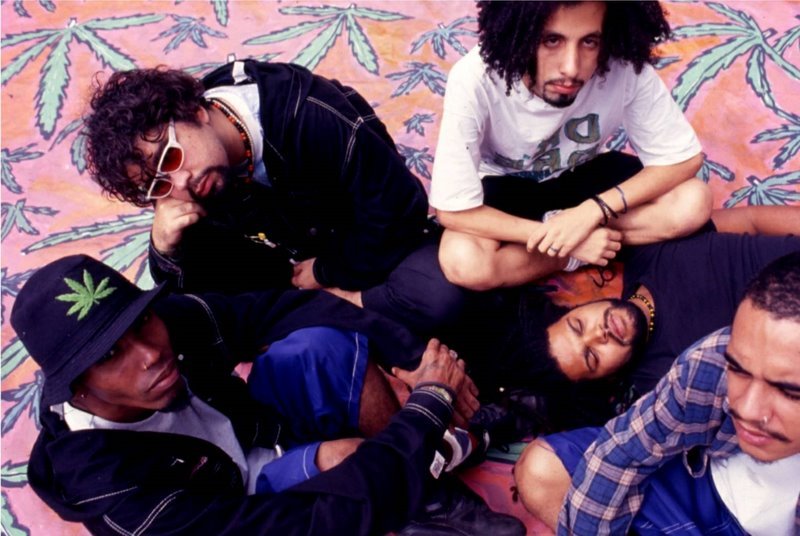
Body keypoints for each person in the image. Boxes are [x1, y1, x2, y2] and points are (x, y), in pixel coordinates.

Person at [12, 255, 525, 535]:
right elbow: (301, 524)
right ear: (77, 386)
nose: (150, 353)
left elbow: (280, 308)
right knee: (349, 466)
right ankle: (423, 473)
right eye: (109, 354)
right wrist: (429, 404)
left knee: (318, 348)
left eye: (142, 322)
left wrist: (411, 355)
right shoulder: (113, 492)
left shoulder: (160, 327)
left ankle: (423, 490)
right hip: (240, 511)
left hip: (258, 435)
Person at [83, 60, 466, 334]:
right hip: (292, 271)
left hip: (368, 251)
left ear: (196, 113)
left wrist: (328, 275)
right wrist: (165, 251)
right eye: (157, 185)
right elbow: (195, 301)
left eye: (170, 156)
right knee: (186, 328)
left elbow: (399, 212)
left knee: (440, 294)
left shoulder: (309, 116)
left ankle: (339, 316)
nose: (181, 182)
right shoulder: (191, 181)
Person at [429, 1, 712, 291]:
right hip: (506, 184)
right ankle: (570, 253)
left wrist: (593, 212)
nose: (571, 67)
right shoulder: (475, 77)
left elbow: (684, 159)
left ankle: (579, 236)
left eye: (589, 42)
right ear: (518, 33)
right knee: (464, 262)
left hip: (584, 174)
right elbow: (451, 211)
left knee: (692, 201)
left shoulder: (621, 63)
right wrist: (566, 241)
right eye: (551, 40)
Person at [514, 251, 800, 535]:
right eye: (738, 370)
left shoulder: (677, 260)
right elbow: (621, 454)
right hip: (698, 483)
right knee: (541, 470)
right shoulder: (710, 363)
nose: (746, 409)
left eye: (788, 391)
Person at [465, 206, 799, 433]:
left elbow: (751, 221)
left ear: (575, 308)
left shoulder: (645, 250)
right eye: (592, 357)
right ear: (606, 378)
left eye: (579, 326)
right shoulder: (666, 380)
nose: (599, 334)